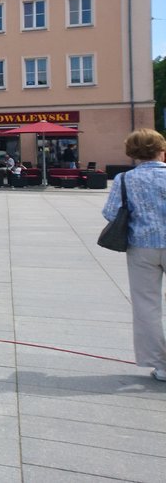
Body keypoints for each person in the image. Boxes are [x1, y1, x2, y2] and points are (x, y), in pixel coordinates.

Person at [101, 128, 166, 383]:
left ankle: (161, 365)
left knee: (146, 307)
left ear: (132, 152)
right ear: (161, 149)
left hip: (142, 247)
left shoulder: (125, 179)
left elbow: (110, 213)